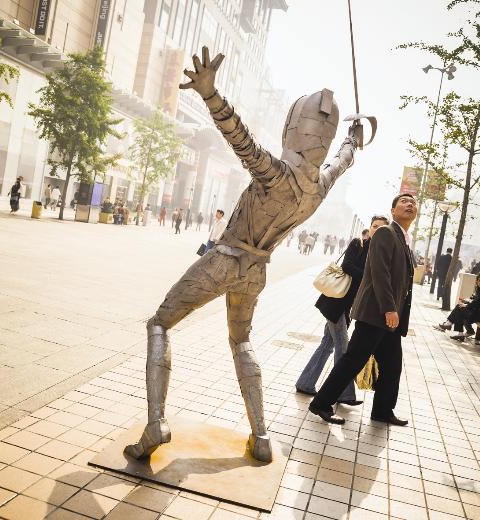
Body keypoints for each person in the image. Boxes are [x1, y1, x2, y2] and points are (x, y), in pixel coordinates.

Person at [124, 46, 361, 463]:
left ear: (292, 129)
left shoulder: (277, 173)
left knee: (160, 324)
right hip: (256, 271)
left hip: (225, 259)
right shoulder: (318, 188)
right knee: (241, 340)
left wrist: (210, 94)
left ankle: (156, 422)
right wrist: (353, 138)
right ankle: (261, 434)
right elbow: (342, 161)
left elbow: (240, 138)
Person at [309, 193, 417, 426]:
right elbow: (380, 273)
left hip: (389, 319)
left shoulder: (404, 239)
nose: (410, 204)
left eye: (413, 202)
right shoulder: (387, 233)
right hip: (376, 313)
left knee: (392, 365)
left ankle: (382, 410)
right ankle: (321, 403)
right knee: (353, 360)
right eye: (404, 201)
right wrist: (389, 308)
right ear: (393, 210)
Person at [296, 215, 389, 404]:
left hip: (347, 308)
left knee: (327, 345)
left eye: (381, 228)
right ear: (369, 228)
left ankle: (305, 383)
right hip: (336, 303)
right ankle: (343, 394)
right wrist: (368, 279)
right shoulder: (358, 244)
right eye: (374, 227)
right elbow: (347, 266)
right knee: (343, 349)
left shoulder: (379, 253)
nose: (376, 230)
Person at [437, 273, 480, 343]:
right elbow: (475, 300)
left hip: (477, 315)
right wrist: (468, 301)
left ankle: (450, 324)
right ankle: (453, 327)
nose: (478, 282)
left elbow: (477, 303)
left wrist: (467, 305)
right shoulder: (478, 290)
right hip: (475, 312)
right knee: (460, 307)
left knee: (460, 309)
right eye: (478, 280)